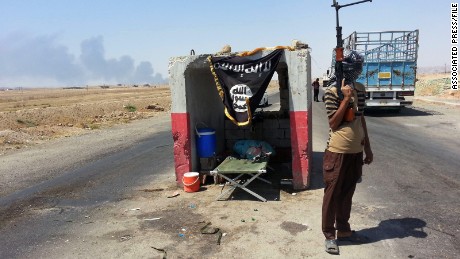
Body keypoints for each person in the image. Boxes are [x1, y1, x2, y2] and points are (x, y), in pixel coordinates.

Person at [321, 50, 373, 255]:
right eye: (354, 67)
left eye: (359, 67)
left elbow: (361, 119)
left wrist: (367, 147)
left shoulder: (360, 88)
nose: (357, 71)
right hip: (337, 152)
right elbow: (333, 123)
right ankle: (329, 235)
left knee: (347, 193)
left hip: (355, 153)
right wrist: (345, 99)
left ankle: (343, 230)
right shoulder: (332, 91)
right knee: (332, 195)